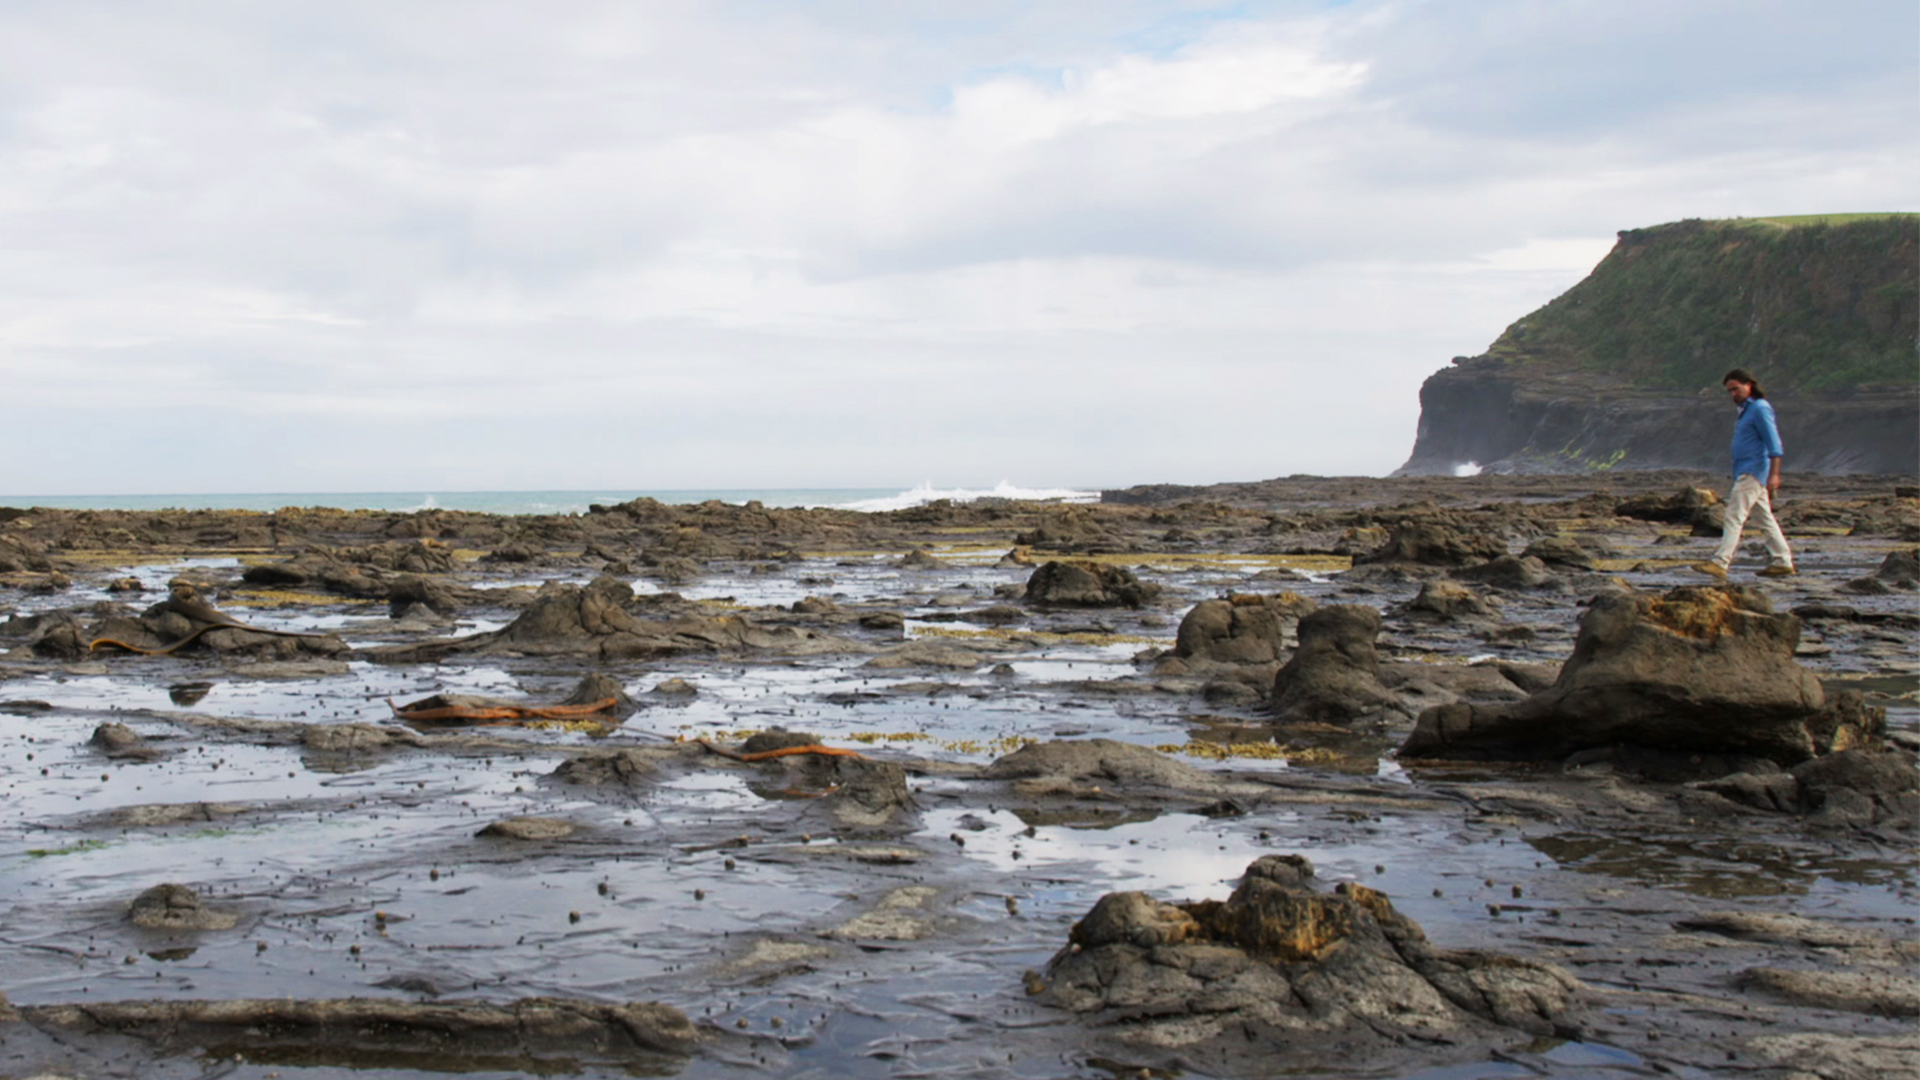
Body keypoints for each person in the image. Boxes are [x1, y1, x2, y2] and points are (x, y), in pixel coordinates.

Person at [1693, 368, 1794, 579]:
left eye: (1736, 389)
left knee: (1733, 516)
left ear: (1749, 384)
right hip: (1746, 470)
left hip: (1754, 470)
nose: (1733, 395)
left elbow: (1774, 443)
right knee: (1764, 518)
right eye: (1729, 391)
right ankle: (1782, 560)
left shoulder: (1760, 408)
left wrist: (1774, 475)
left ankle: (1721, 561)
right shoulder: (1746, 411)